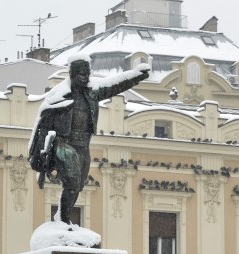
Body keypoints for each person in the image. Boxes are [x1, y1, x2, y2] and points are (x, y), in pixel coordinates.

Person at [29, 56, 150, 224]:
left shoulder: (92, 93)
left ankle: (62, 217)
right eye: (81, 74)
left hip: (83, 145)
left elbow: (115, 84)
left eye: (87, 74)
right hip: (64, 143)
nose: (85, 78)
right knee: (72, 181)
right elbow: (43, 125)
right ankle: (63, 219)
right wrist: (41, 153)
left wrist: (137, 75)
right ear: (72, 75)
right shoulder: (60, 96)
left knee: (79, 184)